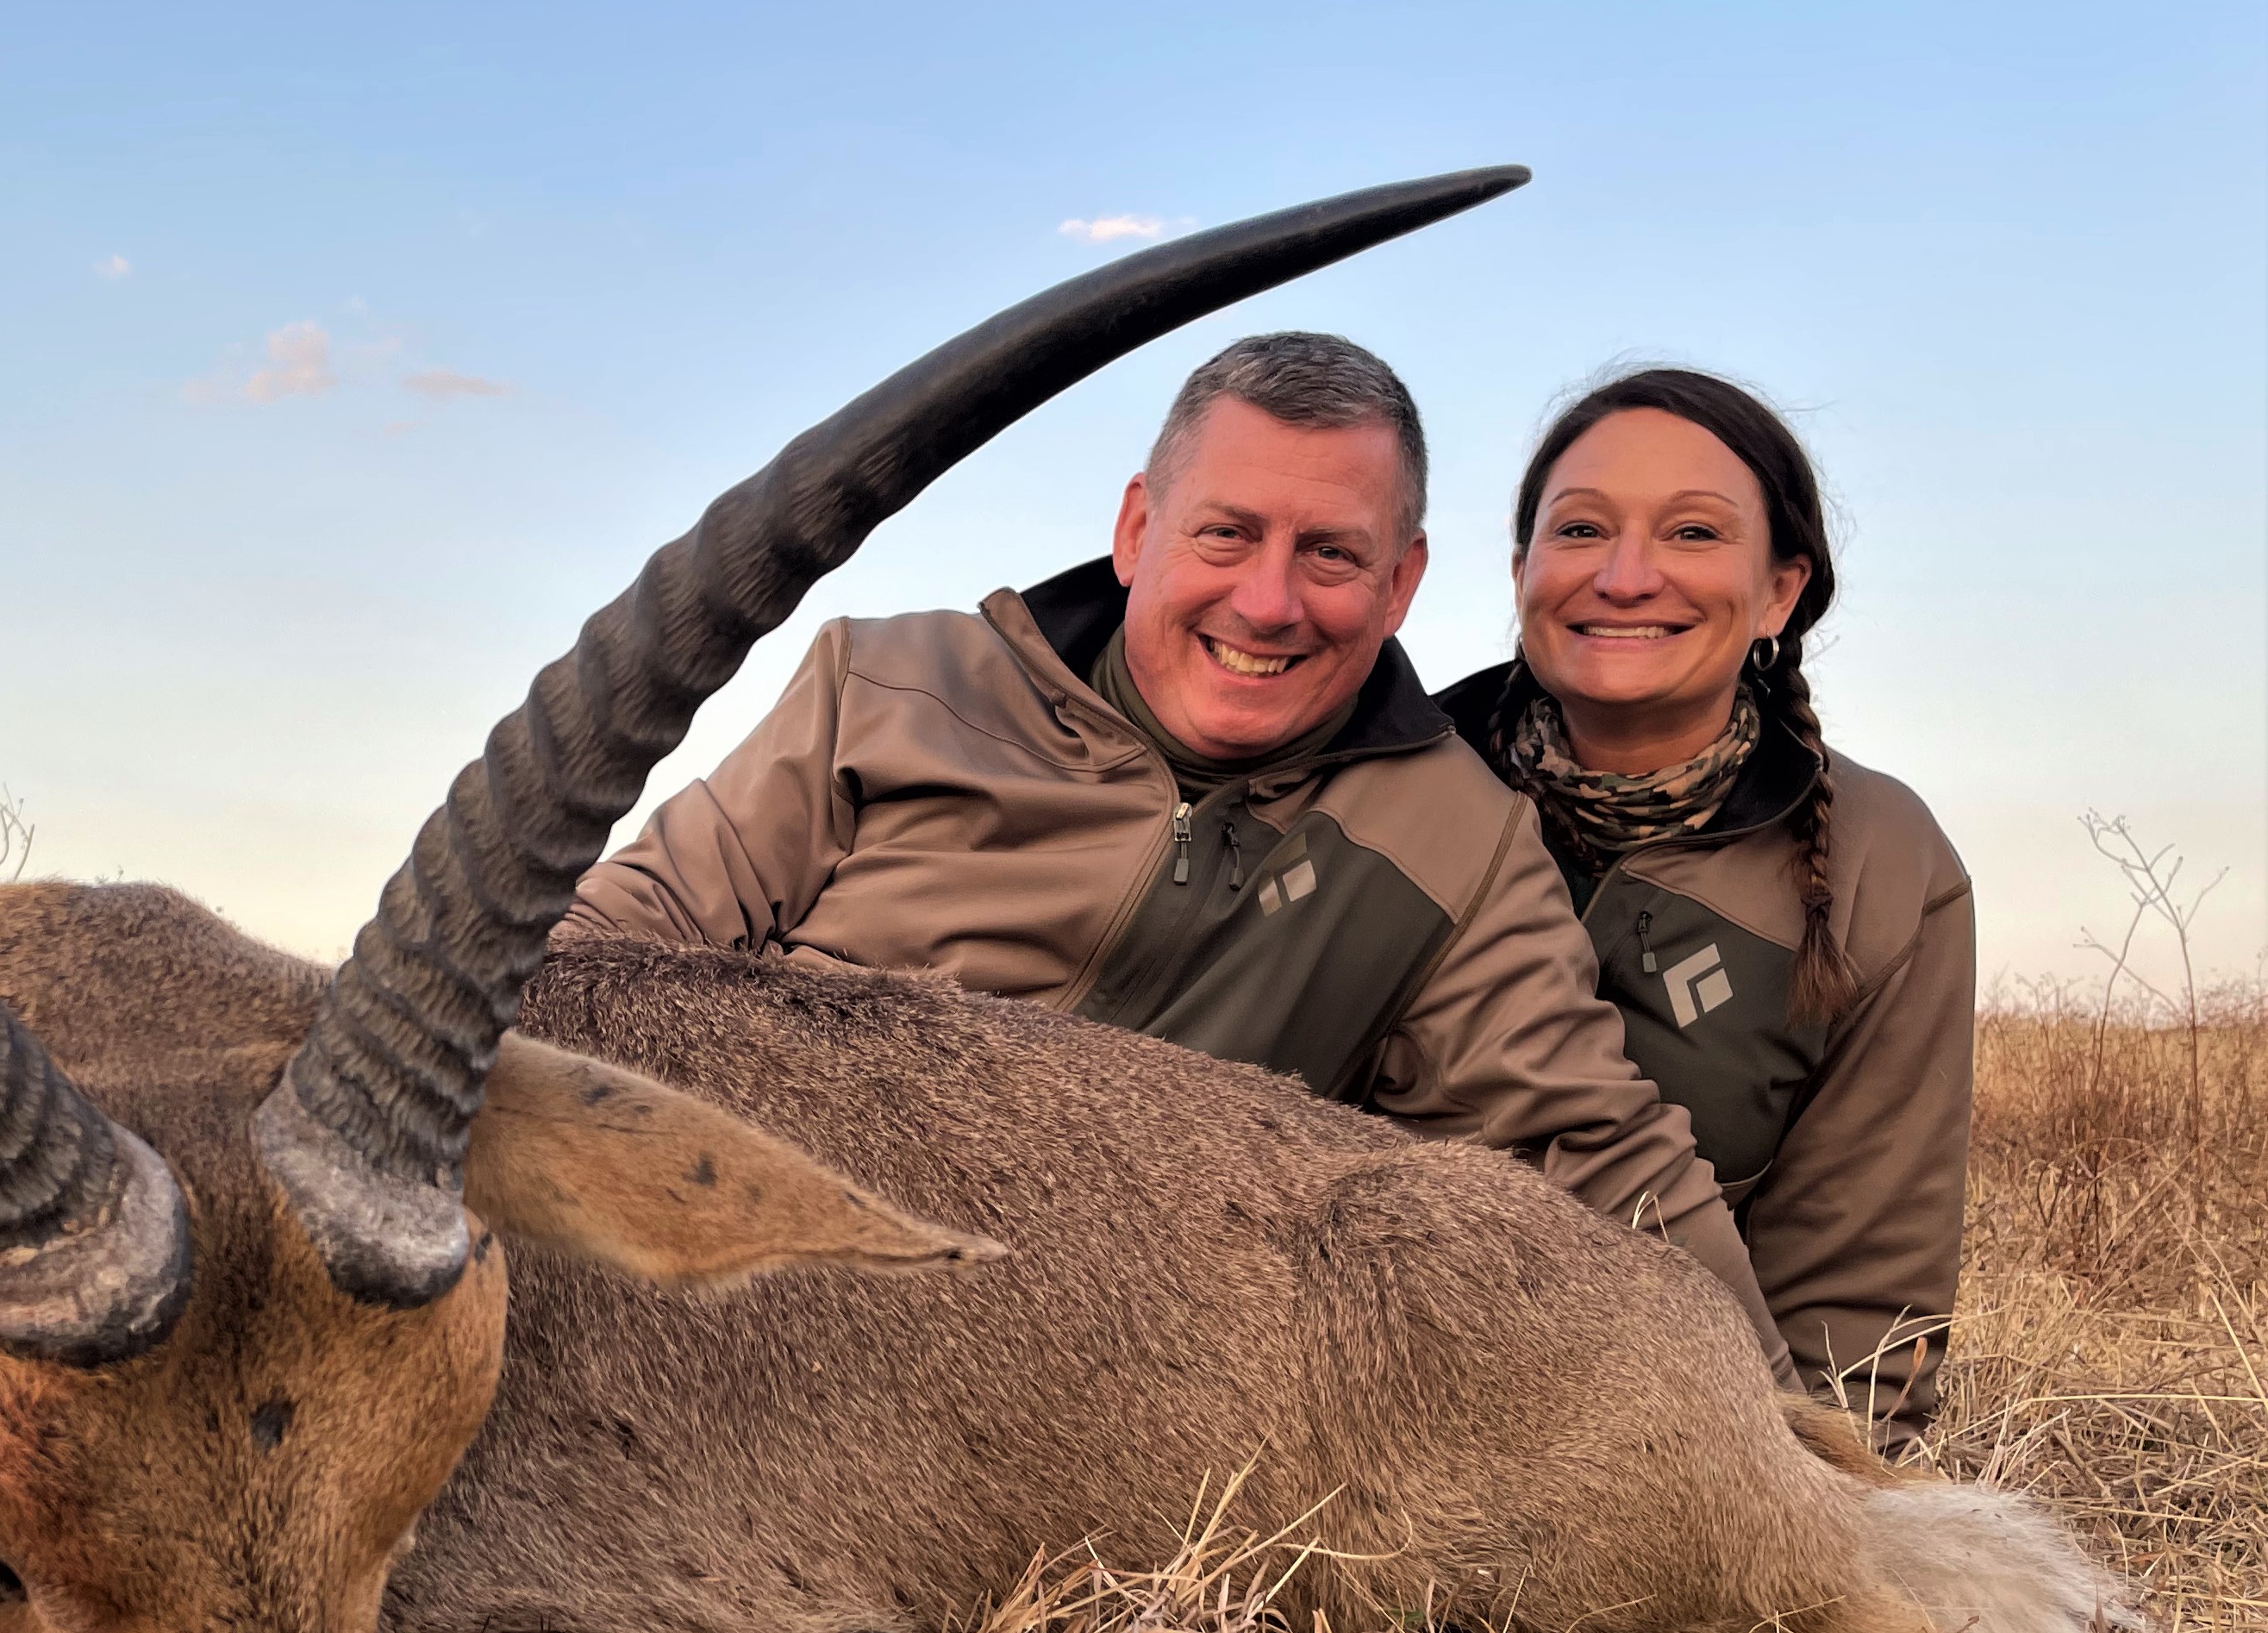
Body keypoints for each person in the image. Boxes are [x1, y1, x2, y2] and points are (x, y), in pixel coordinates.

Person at [566, 330, 1796, 1371]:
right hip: (728, 1303)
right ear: (1135, 527)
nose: (1267, 601)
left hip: (1077, 1370)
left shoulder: (1458, 838)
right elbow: (594, 962)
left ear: (1401, 581)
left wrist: (1788, 1441)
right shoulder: (884, 682)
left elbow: (1593, 1146)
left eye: (1331, 553)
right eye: (1224, 534)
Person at [1437, 370, 1971, 1444]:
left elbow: (1858, 1298)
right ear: (1520, 571)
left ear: (1778, 591)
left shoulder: (1884, 860)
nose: (1626, 577)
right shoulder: (1384, 788)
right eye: (1580, 529)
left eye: (1691, 533)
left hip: (1651, 1433)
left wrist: (1833, 1499)